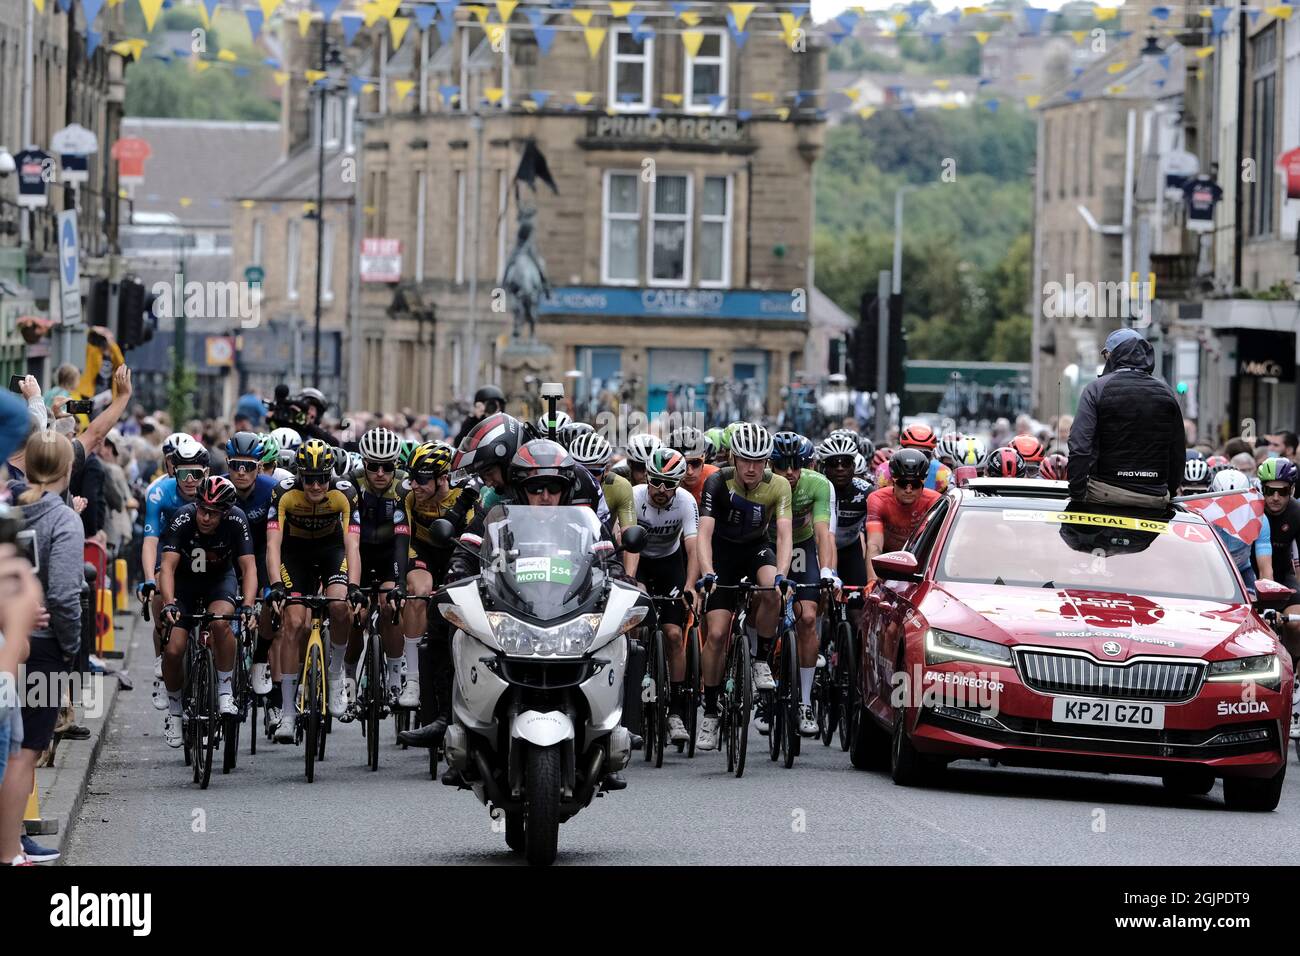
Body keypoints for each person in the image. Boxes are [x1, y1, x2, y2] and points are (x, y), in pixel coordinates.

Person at [0, 432, 82, 864]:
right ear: (67, 470)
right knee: (26, 749)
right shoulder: (64, 519)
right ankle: (10, 847)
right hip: (44, 645)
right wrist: (70, 648)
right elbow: (66, 595)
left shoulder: (9, 507)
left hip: (4, 635)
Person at [694, 423, 793, 752]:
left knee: (773, 590)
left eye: (759, 461)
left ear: (767, 461)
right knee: (718, 633)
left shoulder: (778, 485)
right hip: (722, 554)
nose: (752, 468)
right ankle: (709, 711)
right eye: (745, 460)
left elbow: (783, 534)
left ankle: (761, 659)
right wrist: (708, 571)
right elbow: (704, 533)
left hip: (755, 549)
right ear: (733, 458)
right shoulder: (717, 481)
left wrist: (781, 574)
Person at [157, 477, 258, 746]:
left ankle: (225, 689)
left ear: (225, 513)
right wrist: (168, 602)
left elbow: (248, 568)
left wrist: (248, 605)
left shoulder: (237, 520)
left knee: (221, 623)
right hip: (185, 584)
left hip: (219, 581)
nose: (205, 517)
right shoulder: (183, 518)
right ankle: (175, 711)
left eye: (213, 513)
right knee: (174, 649)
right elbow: (166, 567)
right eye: (202, 509)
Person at [1068, 328, 1183, 507]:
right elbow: (1177, 451)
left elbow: (1080, 447)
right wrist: (1168, 492)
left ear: (1112, 356)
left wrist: (1077, 493)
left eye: (1106, 355)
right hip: (1154, 498)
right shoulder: (1167, 392)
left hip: (1105, 493)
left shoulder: (1096, 389)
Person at [631, 447, 699, 744]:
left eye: (669, 484)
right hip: (639, 561)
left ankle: (676, 712)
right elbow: (628, 543)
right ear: (646, 476)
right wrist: (630, 582)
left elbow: (694, 548)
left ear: (679, 484)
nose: (661, 489)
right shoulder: (633, 497)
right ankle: (629, 704)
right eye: (656, 481)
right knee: (634, 626)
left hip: (671, 565)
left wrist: (691, 585)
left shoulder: (686, 502)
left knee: (673, 635)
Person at [1255, 457, 1300, 740]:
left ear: (1292, 491)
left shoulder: (1297, 514)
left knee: (1295, 623)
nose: (1275, 497)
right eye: (1269, 490)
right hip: (1251, 575)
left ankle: (1294, 679)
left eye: (1282, 491)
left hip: (1284, 575)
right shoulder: (1250, 510)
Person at [866, 448, 941, 581]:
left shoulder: (935, 501)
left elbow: (936, 546)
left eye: (915, 484)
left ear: (923, 483)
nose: (908, 490)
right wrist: (872, 581)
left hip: (919, 559)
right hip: (886, 557)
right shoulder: (877, 499)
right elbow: (874, 545)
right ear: (893, 481)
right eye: (902, 483)